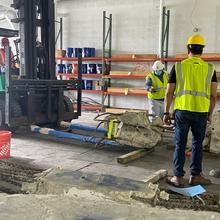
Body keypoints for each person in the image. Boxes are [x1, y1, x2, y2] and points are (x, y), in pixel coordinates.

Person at [163, 35, 218, 187]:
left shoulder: (179, 66)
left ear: (188, 48)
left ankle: (178, 178)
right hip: (201, 112)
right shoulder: (210, 69)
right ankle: (196, 176)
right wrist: (209, 114)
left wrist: (166, 112)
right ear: (202, 50)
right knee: (197, 144)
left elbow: (169, 92)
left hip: (182, 111)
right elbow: (214, 96)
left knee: (180, 144)